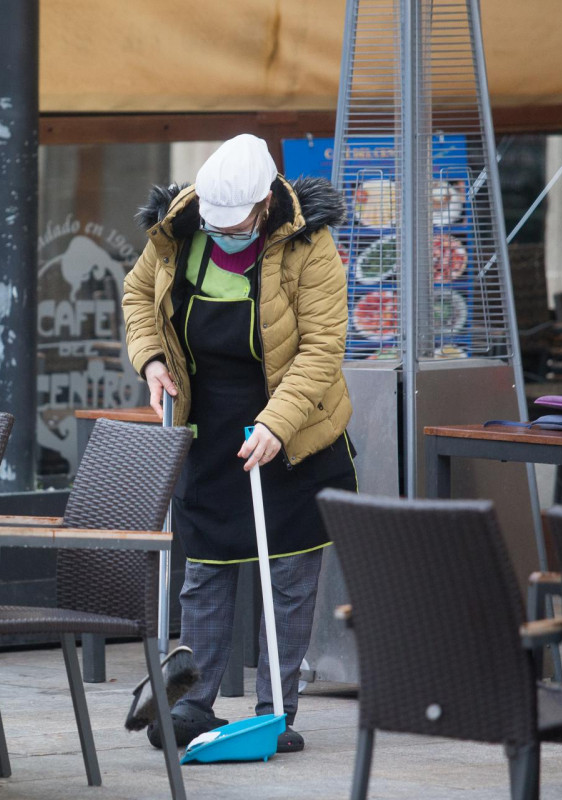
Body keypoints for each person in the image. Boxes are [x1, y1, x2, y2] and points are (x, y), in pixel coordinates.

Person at [122, 133, 357, 753]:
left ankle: (275, 712)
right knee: (207, 570)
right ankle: (192, 708)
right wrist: (150, 362)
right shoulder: (178, 232)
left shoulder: (310, 243)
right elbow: (137, 297)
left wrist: (277, 425)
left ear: (264, 205)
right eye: (212, 222)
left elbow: (322, 347)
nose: (223, 232)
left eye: (236, 223)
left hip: (297, 427)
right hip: (211, 426)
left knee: (288, 573)